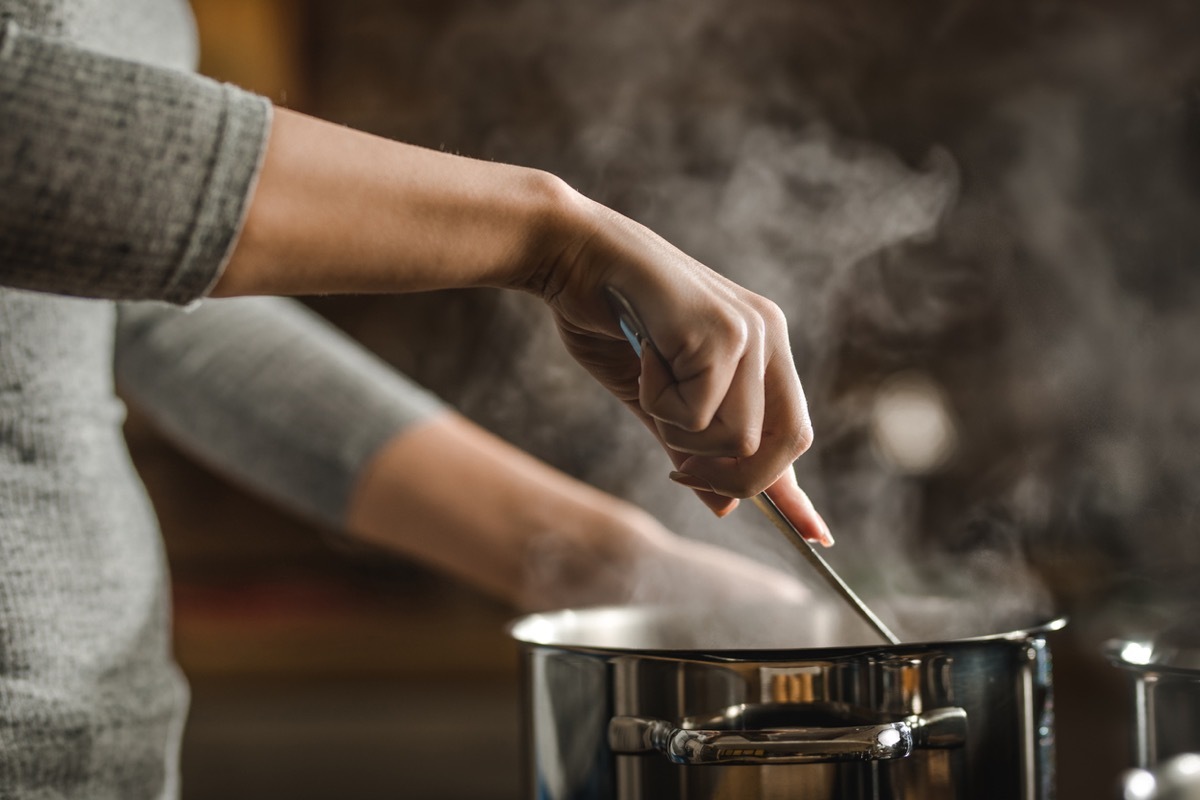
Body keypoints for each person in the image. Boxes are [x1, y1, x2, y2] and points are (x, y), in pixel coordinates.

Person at [0, 1, 830, 797]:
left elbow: (135, 306)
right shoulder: (545, 231)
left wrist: (610, 562)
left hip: (92, 740)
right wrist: (549, 237)